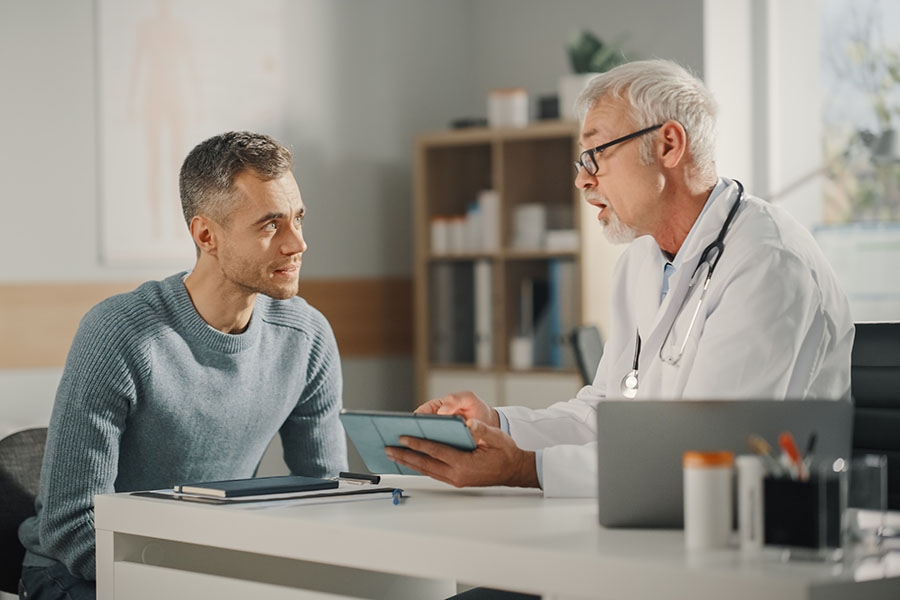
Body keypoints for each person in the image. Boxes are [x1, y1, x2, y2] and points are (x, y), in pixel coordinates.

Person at [386, 59, 854, 501]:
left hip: (766, 538)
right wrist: (497, 427)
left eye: (597, 153)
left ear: (669, 145)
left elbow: (711, 451)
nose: (582, 180)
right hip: (660, 521)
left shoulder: (769, 263)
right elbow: (605, 414)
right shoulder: (642, 262)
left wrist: (526, 468)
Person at [17, 131, 347, 600]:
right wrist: (200, 579)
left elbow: (327, 496)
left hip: (204, 569)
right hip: (76, 573)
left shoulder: (306, 337)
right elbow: (70, 527)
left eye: (298, 218)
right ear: (206, 235)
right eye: (271, 225)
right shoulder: (119, 333)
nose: (298, 243)